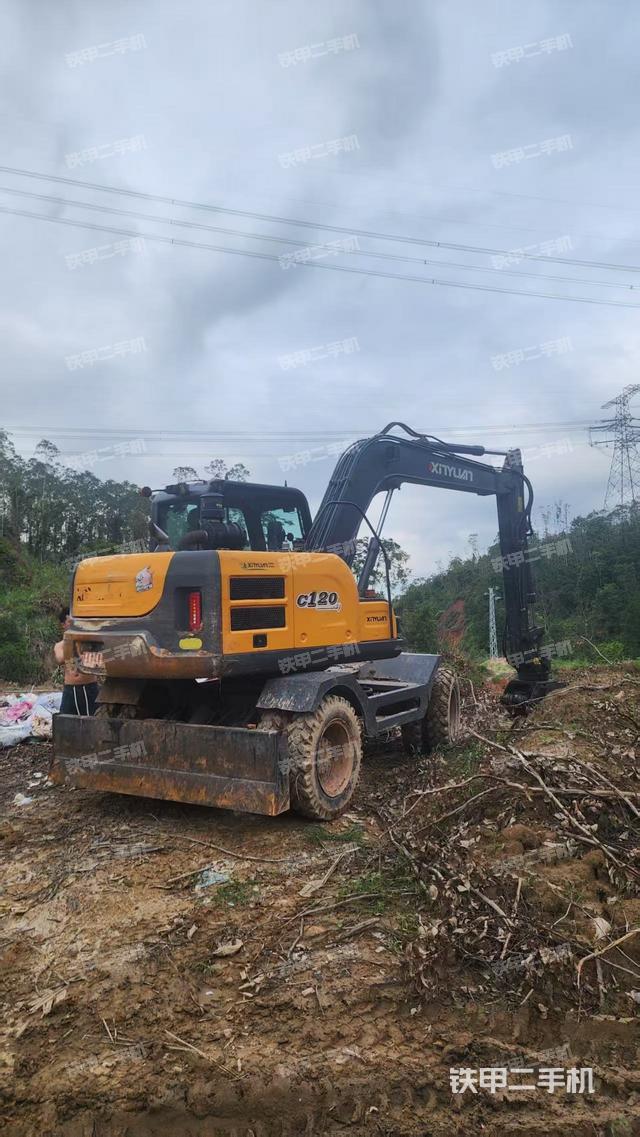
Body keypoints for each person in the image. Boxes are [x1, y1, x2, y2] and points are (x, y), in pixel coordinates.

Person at [54, 607, 99, 715]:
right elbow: (60, 659)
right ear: (63, 625)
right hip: (70, 688)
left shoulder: (89, 642)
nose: (74, 625)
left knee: (92, 720)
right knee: (66, 719)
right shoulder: (59, 646)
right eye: (70, 622)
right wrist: (70, 641)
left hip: (89, 687)